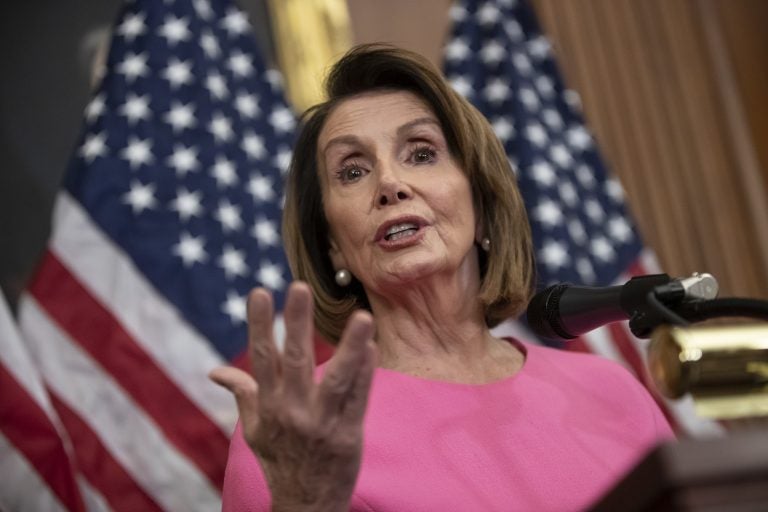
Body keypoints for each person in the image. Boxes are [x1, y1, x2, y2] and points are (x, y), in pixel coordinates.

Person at [210, 44, 674, 512]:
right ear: (332, 246)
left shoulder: (613, 393)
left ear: (483, 206)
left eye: (422, 153)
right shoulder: (300, 432)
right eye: (352, 171)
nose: (390, 184)